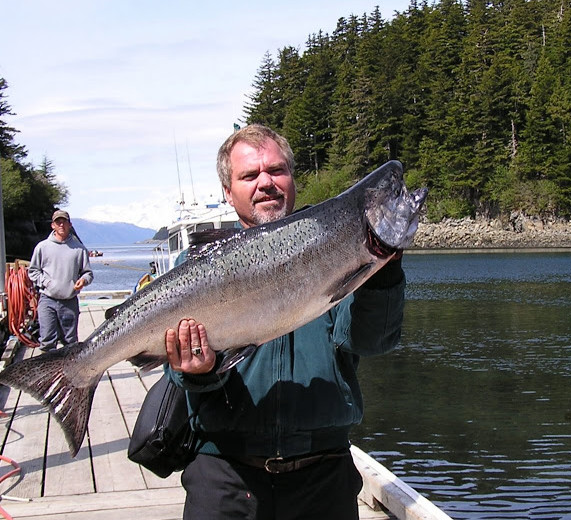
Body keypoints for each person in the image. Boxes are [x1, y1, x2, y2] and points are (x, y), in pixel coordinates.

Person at [163, 124, 407, 520]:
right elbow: (176, 377)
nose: (266, 183)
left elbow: (371, 340)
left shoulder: (338, 250)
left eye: (277, 171)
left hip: (323, 477)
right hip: (224, 474)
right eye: (249, 175)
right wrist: (199, 372)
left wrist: (384, 275)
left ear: (293, 179)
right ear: (228, 191)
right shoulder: (192, 270)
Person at [28, 210, 94, 351]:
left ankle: (69, 372)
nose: (61, 224)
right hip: (47, 300)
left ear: (70, 224)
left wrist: (83, 280)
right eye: (58, 222)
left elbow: (88, 273)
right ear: (53, 225)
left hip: (69, 301)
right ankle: (46, 371)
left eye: (64, 221)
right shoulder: (42, 247)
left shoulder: (79, 249)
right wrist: (46, 283)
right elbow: (33, 271)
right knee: (46, 340)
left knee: (70, 342)